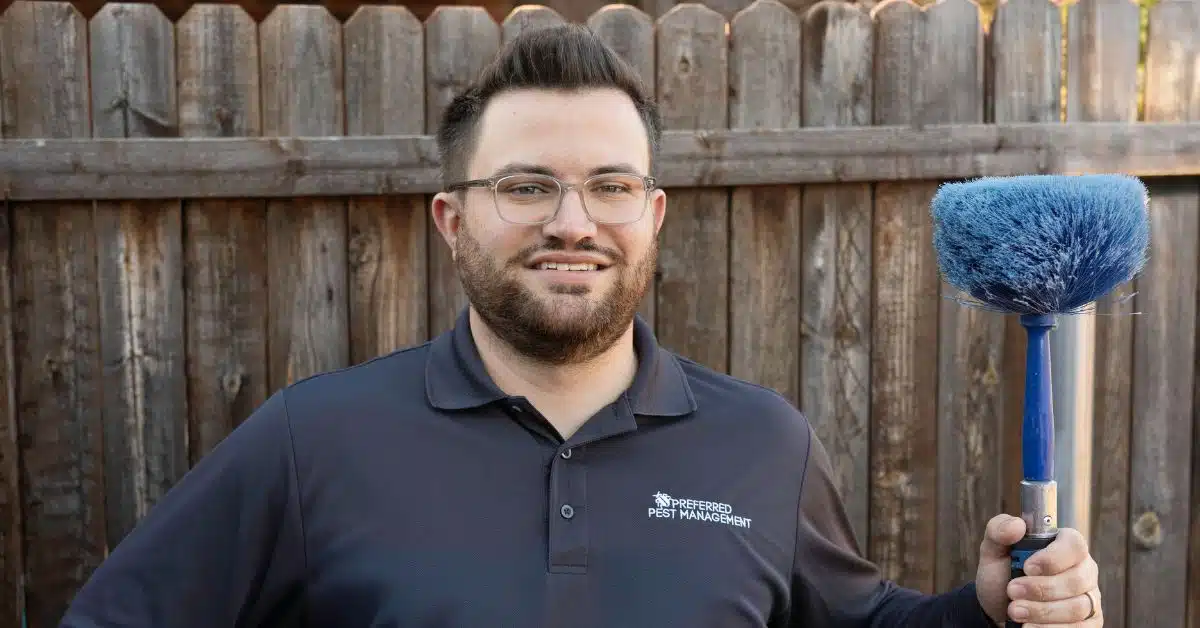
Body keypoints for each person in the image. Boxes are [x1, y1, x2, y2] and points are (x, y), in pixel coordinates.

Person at [60, 24, 1102, 628]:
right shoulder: (313, 442)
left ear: (650, 215)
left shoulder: (760, 444)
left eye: (609, 185)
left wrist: (990, 606)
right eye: (526, 185)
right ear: (452, 217)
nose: (572, 221)